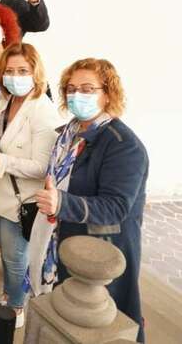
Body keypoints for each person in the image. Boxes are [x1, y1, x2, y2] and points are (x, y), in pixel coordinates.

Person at [30, 58, 149, 342]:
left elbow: (116, 207)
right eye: (71, 89)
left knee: (105, 324)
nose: (76, 95)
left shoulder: (123, 145)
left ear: (108, 94)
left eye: (87, 89)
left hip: (102, 252)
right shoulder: (70, 133)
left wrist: (62, 203)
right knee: (65, 312)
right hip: (64, 238)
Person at [0, 43, 62, 332]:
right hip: (2, 194)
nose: (15, 76)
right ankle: (7, 297)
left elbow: (42, 166)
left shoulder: (42, 111)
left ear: (36, 72)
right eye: (9, 71)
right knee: (5, 253)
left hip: (23, 199)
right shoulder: (7, 101)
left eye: (23, 70)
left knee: (15, 259)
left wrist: (1, 161)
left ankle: (16, 309)